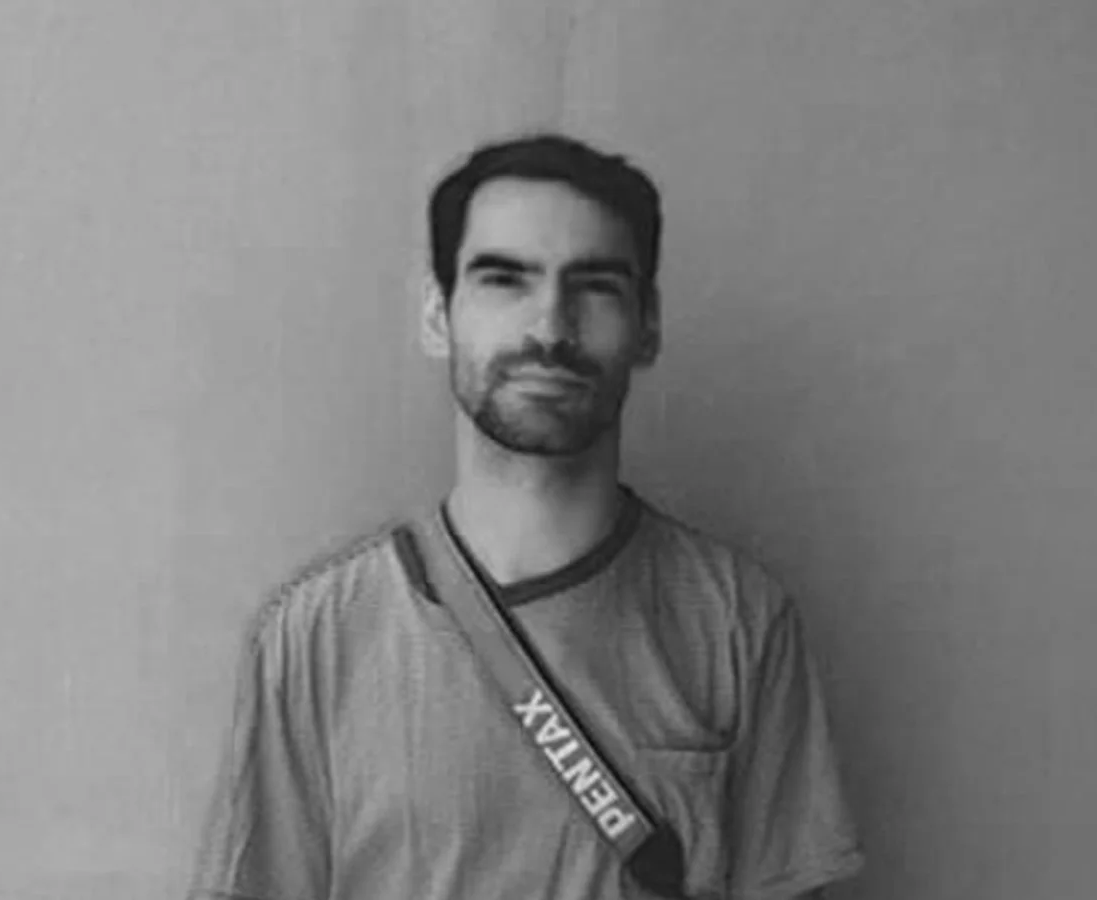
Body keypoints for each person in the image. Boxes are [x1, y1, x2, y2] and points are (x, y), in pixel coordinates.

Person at [188, 133, 864, 899]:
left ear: (647, 323)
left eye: (595, 285)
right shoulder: (314, 638)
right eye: (503, 280)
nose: (549, 327)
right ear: (438, 314)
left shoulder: (738, 621)